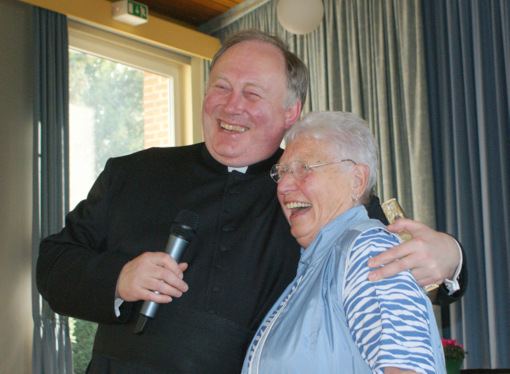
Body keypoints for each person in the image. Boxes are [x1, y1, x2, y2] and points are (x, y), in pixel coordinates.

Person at [36, 30, 464, 373]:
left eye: (253, 94)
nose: (231, 105)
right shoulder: (133, 172)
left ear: (291, 112)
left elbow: (395, 281)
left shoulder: (311, 191)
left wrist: (451, 256)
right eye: (221, 87)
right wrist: (119, 278)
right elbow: (53, 264)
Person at [242, 111, 446, 374]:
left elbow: (408, 368)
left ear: (357, 180)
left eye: (303, 169)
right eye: (281, 172)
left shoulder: (367, 250)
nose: (283, 186)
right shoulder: (319, 264)